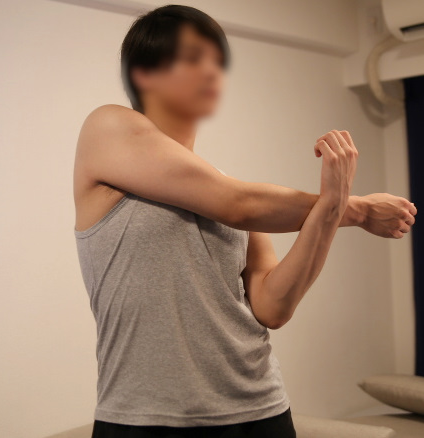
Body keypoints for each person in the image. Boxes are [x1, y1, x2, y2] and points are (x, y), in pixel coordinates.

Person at [73, 5, 417, 438]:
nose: (213, 71)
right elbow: (237, 204)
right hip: (142, 418)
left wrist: (332, 208)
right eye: (194, 58)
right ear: (144, 74)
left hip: (260, 411)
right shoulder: (106, 128)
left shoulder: (234, 192)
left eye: (217, 60)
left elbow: (272, 307)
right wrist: (359, 209)